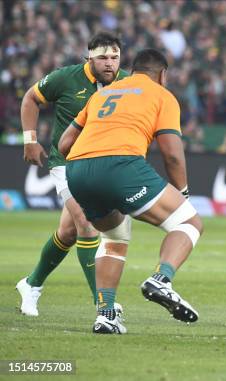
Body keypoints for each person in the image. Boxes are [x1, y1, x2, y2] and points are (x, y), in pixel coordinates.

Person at [58, 48, 202, 334]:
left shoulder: (102, 94)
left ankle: (106, 315)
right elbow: (172, 154)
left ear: (132, 70)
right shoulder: (163, 95)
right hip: (121, 164)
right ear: (162, 74)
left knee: (113, 237)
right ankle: (161, 279)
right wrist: (182, 194)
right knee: (189, 222)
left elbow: (64, 144)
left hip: (77, 171)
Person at [17, 32, 129, 317]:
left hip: (102, 167)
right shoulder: (65, 78)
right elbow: (31, 98)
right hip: (65, 163)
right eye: (102, 57)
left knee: (67, 233)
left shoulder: (128, 82)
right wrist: (30, 139)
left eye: (114, 57)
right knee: (87, 226)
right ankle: (103, 305)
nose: (109, 63)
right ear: (88, 57)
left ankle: (31, 285)